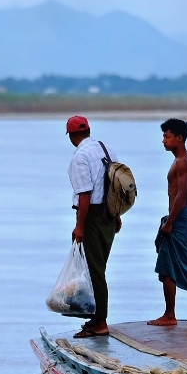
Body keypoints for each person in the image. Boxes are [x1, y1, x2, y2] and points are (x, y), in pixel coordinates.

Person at [146, 117, 187, 326]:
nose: (163, 140)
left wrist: (169, 223)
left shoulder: (182, 162)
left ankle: (169, 315)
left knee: (167, 265)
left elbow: (182, 194)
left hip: (179, 218)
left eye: (167, 136)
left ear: (179, 138)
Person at [65, 114, 118, 338]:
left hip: (93, 216)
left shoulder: (80, 157)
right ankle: (96, 316)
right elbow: (115, 184)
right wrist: (116, 215)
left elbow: (85, 195)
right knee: (98, 268)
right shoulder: (105, 149)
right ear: (88, 130)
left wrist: (80, 226)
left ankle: (100, 321)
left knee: (95, 271)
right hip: (109, 214)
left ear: (73, 135)